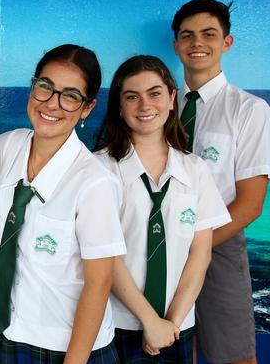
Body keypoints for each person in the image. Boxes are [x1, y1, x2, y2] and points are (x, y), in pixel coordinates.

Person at [0, 44, 125, 363]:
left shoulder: (94, 182)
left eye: (70, 96)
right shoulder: (14, 145)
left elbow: (99, 285)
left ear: (87, 108)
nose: (51, 104)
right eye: (44, 87)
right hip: (10, 333)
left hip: (67, 346)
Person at [93, 55, 230, 363]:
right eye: (132, 97)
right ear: (118, 106)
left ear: (171, 98)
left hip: (177, 324)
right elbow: (105, 255)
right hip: (116, 323)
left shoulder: (195, 169)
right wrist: (149, 321)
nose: (145, 105)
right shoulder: (99, 169)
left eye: (155, 93)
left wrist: (172, 322)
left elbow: (200, 253)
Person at [171, 0, 270, 363]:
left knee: (233, 354)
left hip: (219, 242)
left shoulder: (249, 110)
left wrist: (195, 250)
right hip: (161, 243)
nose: (197, 43)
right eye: (187, 35)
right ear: (176, 45)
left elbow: (251, 203)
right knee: (167, 346)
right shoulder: (161, 105)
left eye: (208, 34)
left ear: (226, 42)